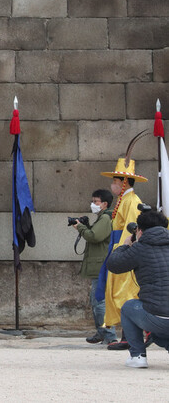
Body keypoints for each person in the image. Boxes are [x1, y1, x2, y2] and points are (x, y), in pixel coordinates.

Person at [99, 144, 147, 350]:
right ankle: (126, 336)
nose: (113, 185)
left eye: (115, 181)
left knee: (126, 292)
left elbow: (131, 229)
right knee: (119, 291)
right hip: (117, 244)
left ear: (124, 182)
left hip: (123, 246)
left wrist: (122, 250)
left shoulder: (132, 201)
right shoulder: (124, 200)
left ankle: (130, 337)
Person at [107, 210, 169, 368]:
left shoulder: (140, 248)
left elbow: (113, 264)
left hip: (158, 316)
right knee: (159, 328)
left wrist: (125, 245)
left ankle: (138, 356)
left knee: (129, 307)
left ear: (140, 231)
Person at [73, 188, 116, 345]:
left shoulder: (105, 218)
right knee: (96, 301)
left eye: (95, 201)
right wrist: (87, 225)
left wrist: (81, 228)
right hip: (99, 264)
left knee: (100, 302)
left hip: (101, 265)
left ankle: (109, 335)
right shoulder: (103, 217)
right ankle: (102, 332)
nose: (93, 204)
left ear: (104, 203)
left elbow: (95, 236)